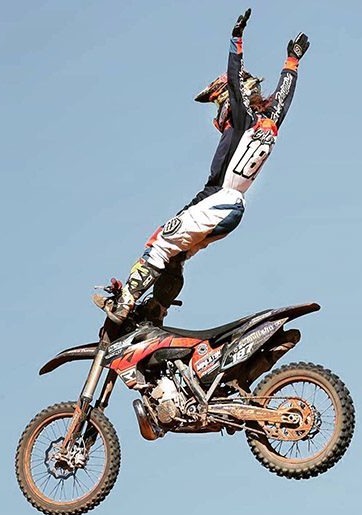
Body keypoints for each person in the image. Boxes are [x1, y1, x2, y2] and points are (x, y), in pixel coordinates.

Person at [95, 8, 309, 324]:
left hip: (220, 201)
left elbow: (235, 82)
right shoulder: (268, 124)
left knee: (160, 243)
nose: (218, 112)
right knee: (176, 257)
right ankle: (156, 312)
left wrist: (236, 40)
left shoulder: (243, 119)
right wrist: (292, 62)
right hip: (228, 205)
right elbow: (283, 99)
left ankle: (124, 303)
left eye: (219, 101)